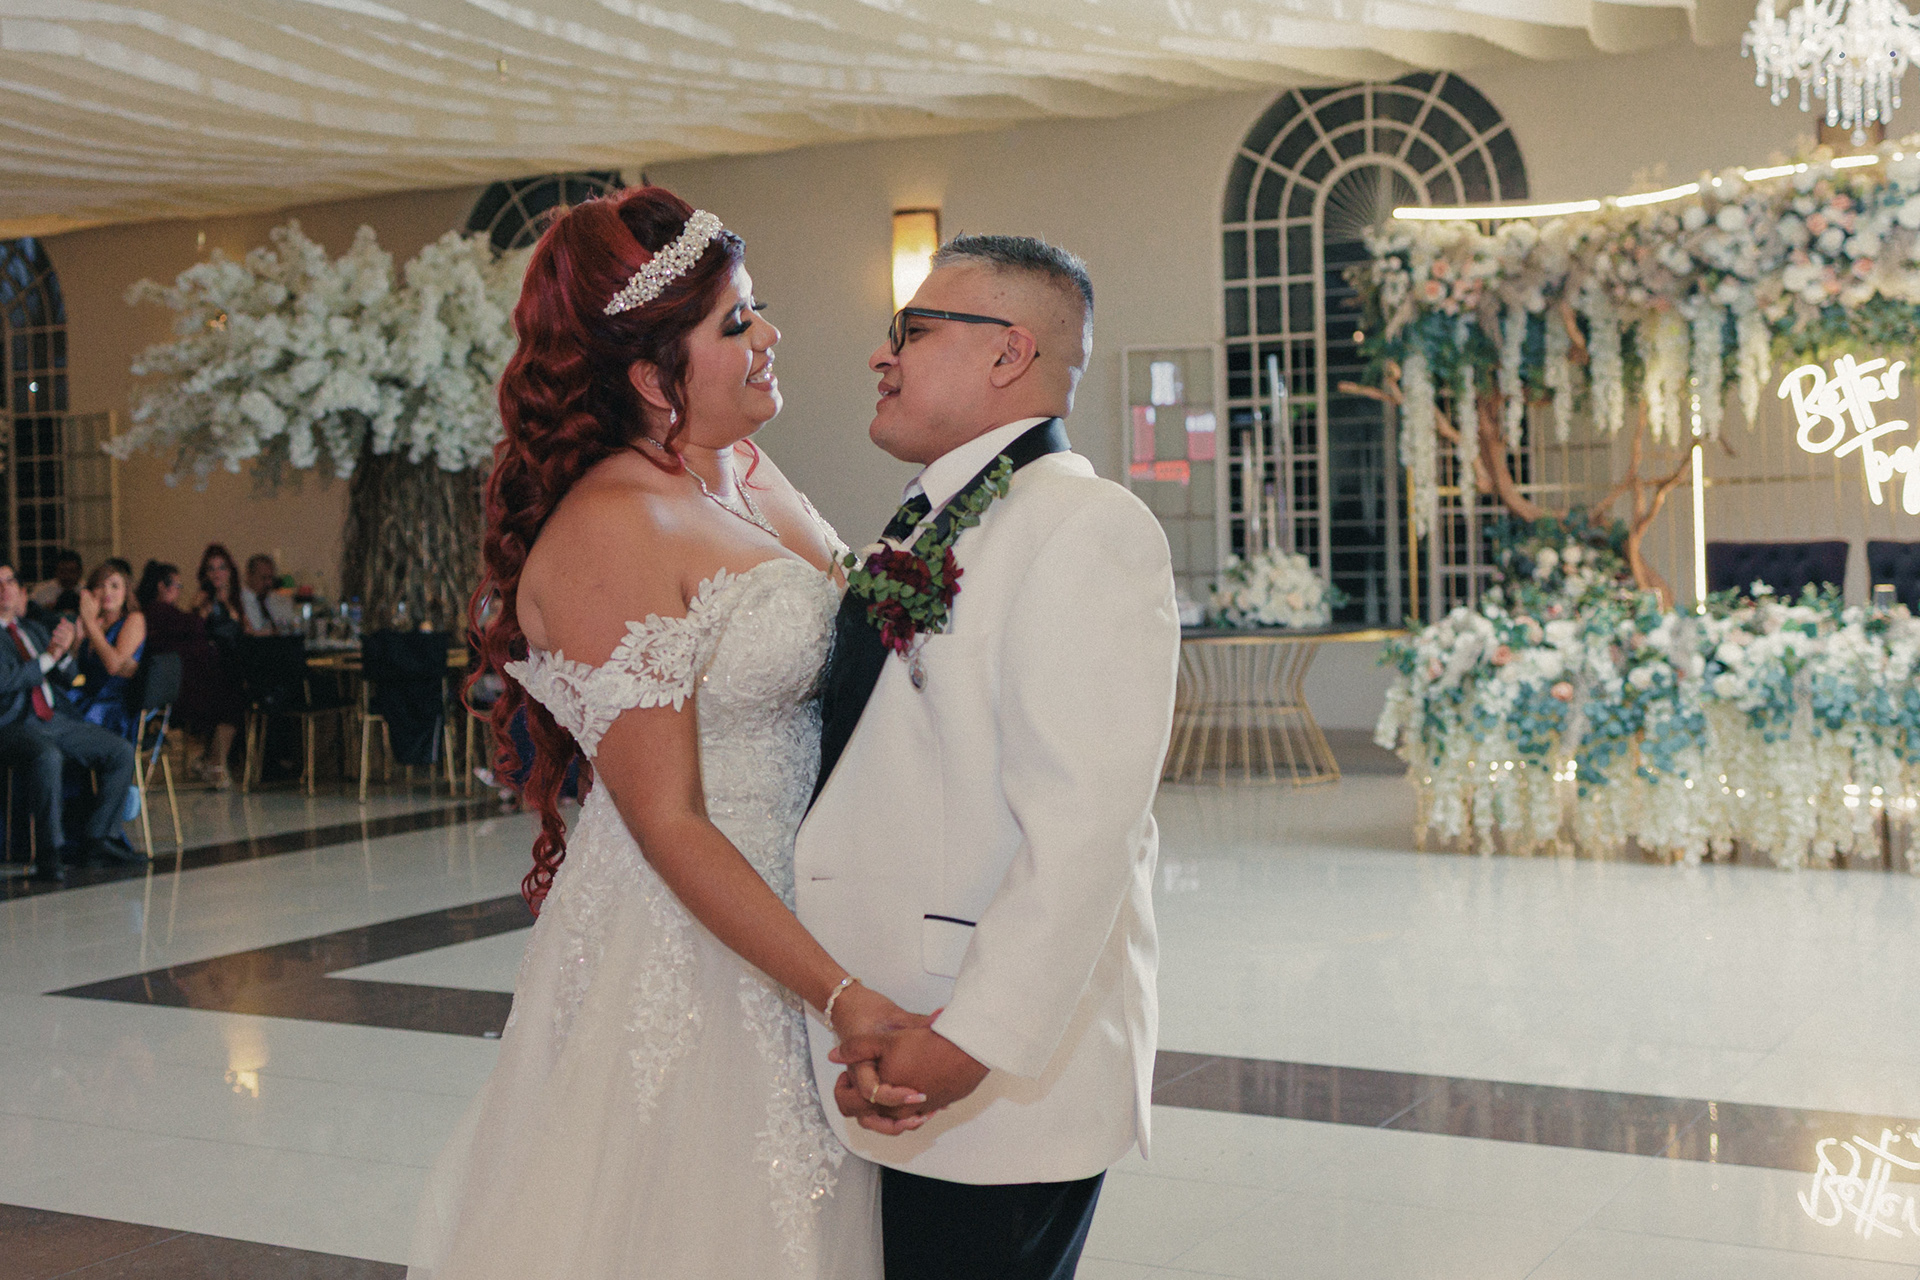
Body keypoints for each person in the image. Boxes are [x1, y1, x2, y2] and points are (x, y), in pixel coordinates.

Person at [408, 188, 925, 1279]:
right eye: (737, 322)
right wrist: (837, 992)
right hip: (695, 947)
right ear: (651, 377)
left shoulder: (744, 471)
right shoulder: (613, 525)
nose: (770, 333)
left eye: (756, 307)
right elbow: (669, 821)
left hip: (803, 907)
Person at [799, 236, 1180, 1280]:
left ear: (1010, 352)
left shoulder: (1086, 526)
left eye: (913, 331)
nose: (881, 355)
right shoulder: (934, 520)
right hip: (892, 1035)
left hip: (985, 1067)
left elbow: (1084, 831)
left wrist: (969, 1041)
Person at [0, 560, 139, 882]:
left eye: (9, 581)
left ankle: (99, 838)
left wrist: (63, 654)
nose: (4, 589)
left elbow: (68, 677)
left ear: (19, 590)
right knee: (47, 755)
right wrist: (49, 656)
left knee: (119, 750)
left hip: (54, 719)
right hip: (12, 724)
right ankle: (50, 853)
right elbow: (6, 681)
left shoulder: (32, 629)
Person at [137, 560, 243, 789]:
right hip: (177, 688)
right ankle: (214, 763)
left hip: (187, 682)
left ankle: (212, 761)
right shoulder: (157, 611)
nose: (179, 591)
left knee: (229, 693)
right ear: (162, 586)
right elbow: (191, 628)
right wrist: (198, 611)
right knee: (231, 699)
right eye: (177, 585)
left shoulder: (163, 611)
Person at [68, 558, 146, 739]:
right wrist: (76, 642)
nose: (107, 592)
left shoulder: (134, 620)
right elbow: (77, 668)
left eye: (114, 586)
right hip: (85, 695)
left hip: (113, 706)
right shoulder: (95, 623)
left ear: (126, 592)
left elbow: (114, 666)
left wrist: (90, 624)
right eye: (100, 586)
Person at [240, 553, 298, 635]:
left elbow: (291, 624)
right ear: (249, 576)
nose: (269, 583)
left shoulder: (279, 600)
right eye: (263, 578)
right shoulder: (239, 602)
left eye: (271, 578)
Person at [27, 548, 83, 616]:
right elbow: (28, 612)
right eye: (63, 572)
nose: (67, 576)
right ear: (56, 572)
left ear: (80, 572)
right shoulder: (40, 591)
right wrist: (44, 609)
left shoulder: (87, 590)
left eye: (72, 571)